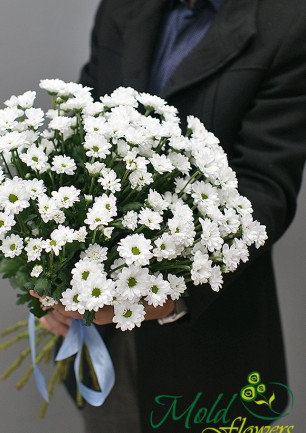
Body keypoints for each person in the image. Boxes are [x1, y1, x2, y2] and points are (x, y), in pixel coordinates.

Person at [36, 0, 306, 431]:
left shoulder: (289, 24)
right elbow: (81, 131)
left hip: (212, 346)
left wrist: (171, 296)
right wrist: (51, 270)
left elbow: (265, 187)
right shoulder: (121, 8)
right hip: (105, 343)